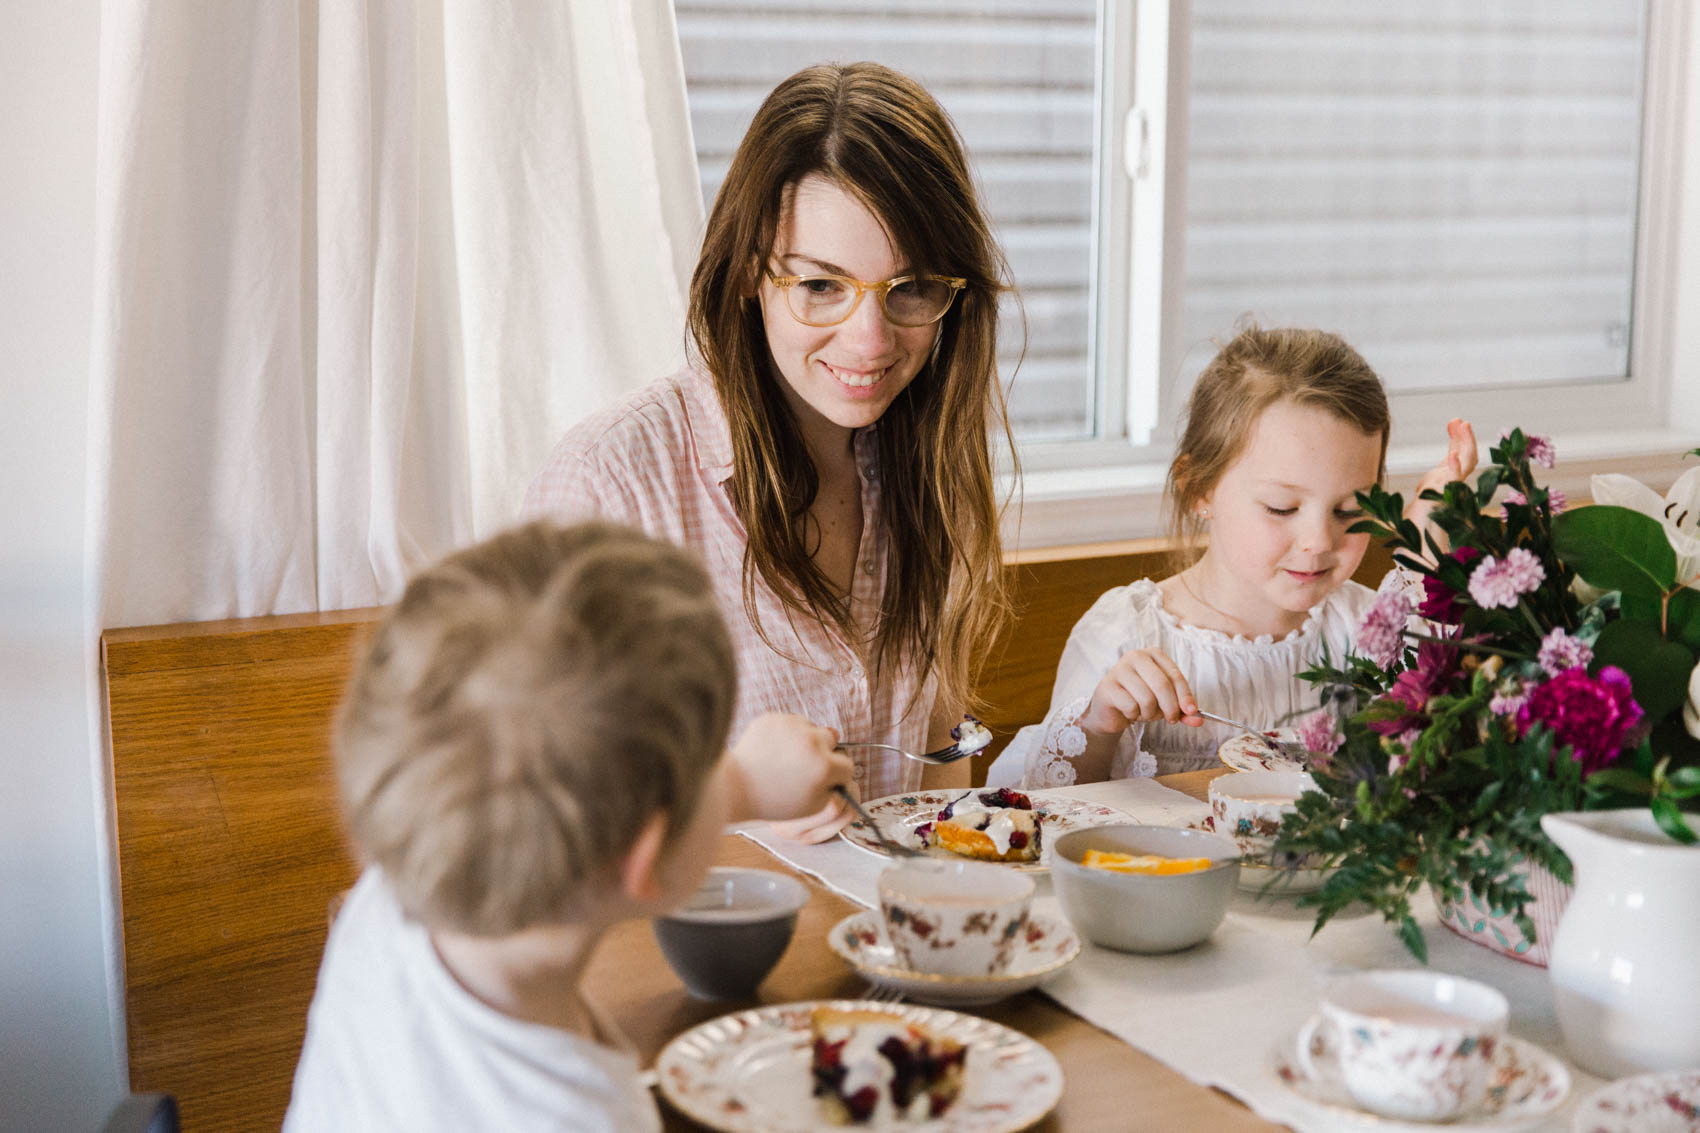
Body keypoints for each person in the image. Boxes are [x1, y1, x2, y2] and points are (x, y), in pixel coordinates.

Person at [523, 62, 1014, 840]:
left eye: (911, 287)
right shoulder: (610, 486)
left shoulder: (931, 467)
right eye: (822, 285)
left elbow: (938, 754)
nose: (871, 340)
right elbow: (539, 824)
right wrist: (737, 803)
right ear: (751, 271)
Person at [283, 520, 852, 1132]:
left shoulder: (399, 893)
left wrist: (741, 784)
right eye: (712, 754)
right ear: (645, 859)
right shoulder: (582, 1117)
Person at [986, 324, 1477, 788]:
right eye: (1281, 507)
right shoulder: (1128, 632)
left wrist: (1424, 548)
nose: (1319, 540)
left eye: (1350, 510)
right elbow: (1045, 809)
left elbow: (1437, 739)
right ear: (1200, 490)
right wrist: (1100, 722)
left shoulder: (1366, 628)